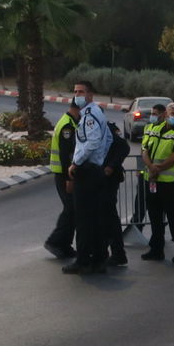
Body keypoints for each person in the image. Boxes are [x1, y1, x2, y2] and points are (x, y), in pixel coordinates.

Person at [65, 79, 112, 275]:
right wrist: (101, 159)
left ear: (90, 95)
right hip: (95, 170)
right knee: (96, 217)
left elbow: (92, 142)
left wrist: (76, 163)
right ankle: (99, 259)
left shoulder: (90, 115)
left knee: (83, 219)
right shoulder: (96, 112)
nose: (77, 95)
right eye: (75, 92)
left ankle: (83, 261)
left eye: (81, 92)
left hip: (86, 171)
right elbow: (108, 138)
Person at [140, 102, 174, 264]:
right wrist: (150, 167)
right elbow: (145, 150)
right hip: (153, 180)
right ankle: (156, 250)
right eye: (172, 113)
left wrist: (159, 168)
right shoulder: (155, 129)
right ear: (166, 114)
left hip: (171, 183)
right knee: (155, 217)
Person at [43, 102, 81, 260]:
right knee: (71, 209)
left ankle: (65, 245)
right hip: (64, 174)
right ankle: (55, 241)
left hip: (64, 174)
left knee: (72, 210)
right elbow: (66, 155)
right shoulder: (67, 126)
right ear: (77, 109)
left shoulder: (70, 122)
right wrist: (69, 178)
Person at [102, 122, 131, 266]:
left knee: (109, 217)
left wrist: (111, 166)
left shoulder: (105, 128)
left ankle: (118, 254)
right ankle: (102, 252)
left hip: (108, 181)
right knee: (101, 218)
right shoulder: (88, 128)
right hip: (96, 179)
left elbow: (124, 146)